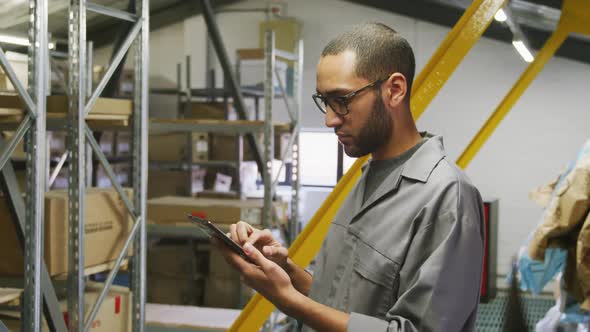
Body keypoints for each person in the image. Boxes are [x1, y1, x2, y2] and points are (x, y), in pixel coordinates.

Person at [215, 22, 485, 332]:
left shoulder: (447, 196)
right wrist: (285, 271)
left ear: (394, 90)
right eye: (325, 102)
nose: (330, 119)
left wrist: (291, 301)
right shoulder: (371, 177)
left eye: (341, 100)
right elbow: (346, 304)